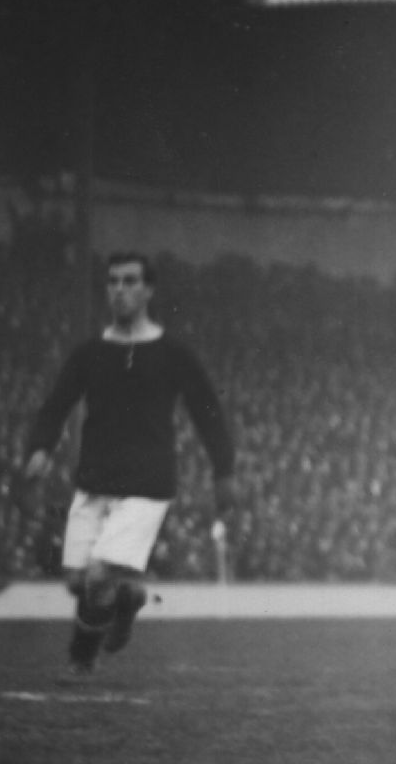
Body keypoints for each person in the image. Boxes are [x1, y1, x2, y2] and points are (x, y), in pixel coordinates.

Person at [22, 252, 237, 677]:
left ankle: (81, 660)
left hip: (148, 483)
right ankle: (129, 600)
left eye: (129, 281)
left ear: (148, 290)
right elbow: (57, 404)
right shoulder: (90, 353)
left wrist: (224, 470)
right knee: (77, 582)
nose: (119, 290)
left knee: (100, 574)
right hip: (95, 477)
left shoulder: (173, 354)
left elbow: (207, 410)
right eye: (113, 282)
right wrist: (40, 449)